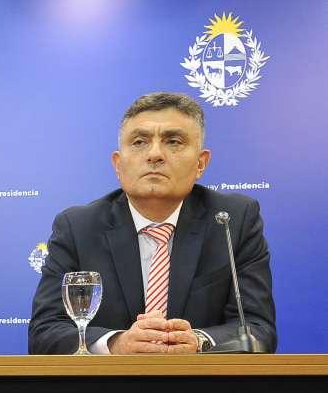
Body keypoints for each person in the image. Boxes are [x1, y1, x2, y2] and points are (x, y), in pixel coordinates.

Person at [29, 92, 276, 354]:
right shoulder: (78, 227)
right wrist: (115, 344)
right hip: (111, 381)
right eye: (139, 142)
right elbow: (45, 331)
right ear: (118, 164)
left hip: (200, 380)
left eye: (173, 141)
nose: (155, 154)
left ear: (200, 163)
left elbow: (258, 329)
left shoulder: (232, 221)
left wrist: (199, 341)